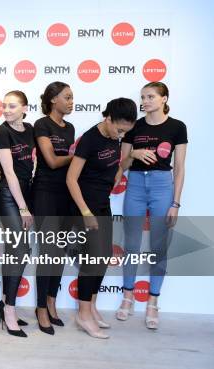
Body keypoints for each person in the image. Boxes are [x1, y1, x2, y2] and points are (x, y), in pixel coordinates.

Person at [115, 82, 187, 330]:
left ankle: (153, 301)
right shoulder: (135, 127)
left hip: (162, 186)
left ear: (164, 98)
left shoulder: (177, 127)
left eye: (150, 97)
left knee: (159, 246)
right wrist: (133, 155)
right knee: (131, 244)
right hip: (135, 185)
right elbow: (121, 164)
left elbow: (179, 169)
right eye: (142, 97)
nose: (144, 101)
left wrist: (175, 202)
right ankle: (127, 296)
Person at [66, 97, 137, 339]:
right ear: (108, 118)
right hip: (85, 208)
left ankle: (92, 306)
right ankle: (83, 314)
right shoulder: (90, 139)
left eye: (125, 132)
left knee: (104, 256)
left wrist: (121, 166)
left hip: (102, 204)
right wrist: (86, 213)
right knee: (91, 261)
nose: (120, 135)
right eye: (119, 129)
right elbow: (71, 179)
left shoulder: (113, 138)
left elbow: (114, 165)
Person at [32, 81, 75, 335]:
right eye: (67, 97)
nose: (71, 101)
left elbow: (69, 166)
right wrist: (81, 156)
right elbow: (51, 160)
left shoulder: (70, 128)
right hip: (45, 193)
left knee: (59, 252)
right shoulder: (42, 124)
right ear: (53, 100)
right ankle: (39, 307)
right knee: (48, 252)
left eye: (72, 97)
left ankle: (51, 300)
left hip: (65, 194)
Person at [0, 90, 34, 337]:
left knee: (17, 252)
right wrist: (22, 207)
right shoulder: (1, 132)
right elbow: (9, 173)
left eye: (12, 106)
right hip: (9, 194)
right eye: (4, 106)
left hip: (25, 191)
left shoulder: (30, 129)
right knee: (18, 250)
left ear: (24, 108)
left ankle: (5, 303)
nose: (7, 110)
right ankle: (9, 310)